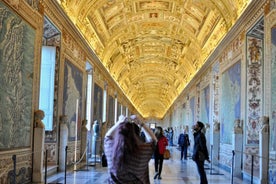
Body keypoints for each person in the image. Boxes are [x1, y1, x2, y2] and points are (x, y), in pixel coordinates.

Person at [104, 115, 157, 183]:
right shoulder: (141, 152)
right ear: (136, 135)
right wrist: (141, 123)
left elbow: (107, 136)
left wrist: (119, 122)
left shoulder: (111, 150)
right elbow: (153, 140)